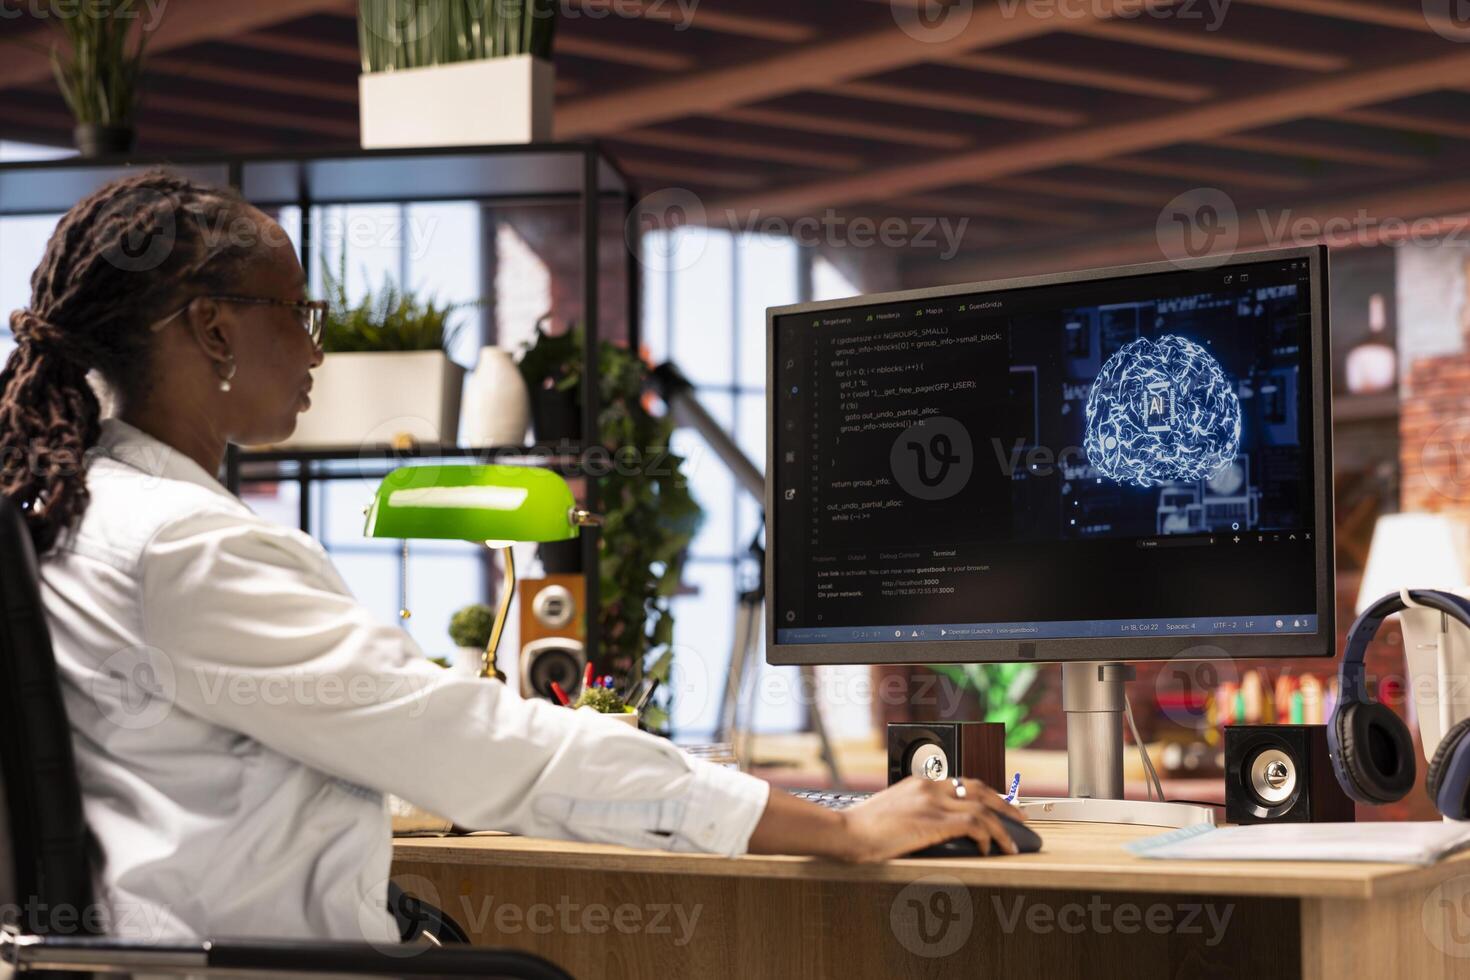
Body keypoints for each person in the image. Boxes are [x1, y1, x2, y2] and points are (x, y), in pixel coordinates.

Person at [1, 171, 1025, 943]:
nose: (317, 350)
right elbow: (484, 744)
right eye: (298, 314)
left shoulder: (72, 516)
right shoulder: (185, 545)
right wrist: (837, 828)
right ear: (214, 330)